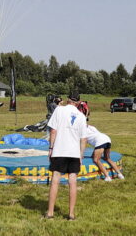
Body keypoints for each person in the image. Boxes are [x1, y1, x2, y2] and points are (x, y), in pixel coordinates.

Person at [45, 92, 88, 220]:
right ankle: (71, 214)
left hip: (59, 150)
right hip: (74, 153)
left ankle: (50, 213)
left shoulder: (59, 110)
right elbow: (84, 139)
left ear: (68, 100)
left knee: (55, 181)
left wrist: (51, 148)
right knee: (73, 182)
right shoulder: (81, 116)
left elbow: (53, 130)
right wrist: (81, 156)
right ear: (79, 102)